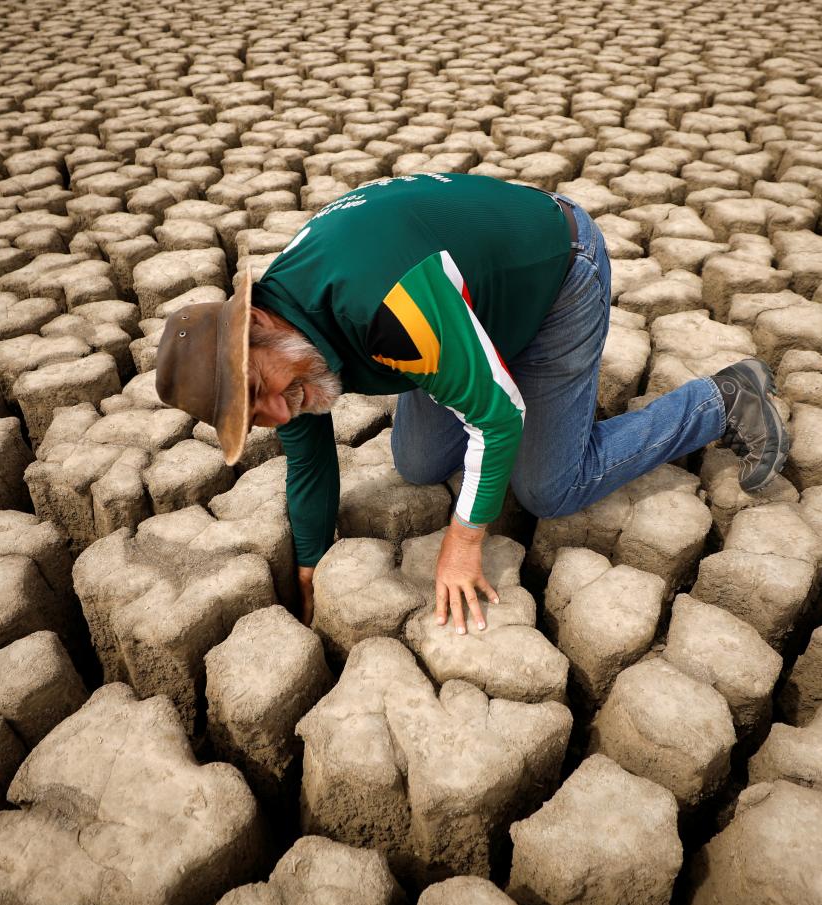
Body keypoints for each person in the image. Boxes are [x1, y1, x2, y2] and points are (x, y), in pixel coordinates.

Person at [155, 173, 789, 635]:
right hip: (459, 300)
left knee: (550, 488)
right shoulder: (283, 350)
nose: (281, 412)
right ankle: (478, 361)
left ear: (256, 320)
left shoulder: (386, 309)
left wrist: (462, 541)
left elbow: (497, 417)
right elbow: (310, 459)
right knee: (419, 461)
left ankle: (720, 400)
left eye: (263, 390)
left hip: (554, 272)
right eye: (256, 414)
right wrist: (311, 564)